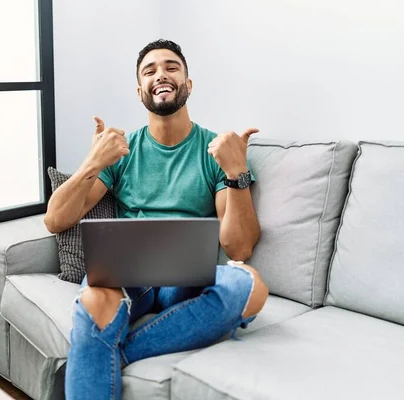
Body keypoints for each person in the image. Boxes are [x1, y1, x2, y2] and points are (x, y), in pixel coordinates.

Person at [44, 39, 269, 400]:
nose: (160, 75)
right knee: (93, 301)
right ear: (140, 92)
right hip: (132, 276)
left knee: (251, 285)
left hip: (187, 281)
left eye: (171, 67)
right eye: (150, 71)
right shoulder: (123, 152)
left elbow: (239, 246)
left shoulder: (215, 150)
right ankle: (105, 349)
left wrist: (237, 171)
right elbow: (55, 220)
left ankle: (113, 351)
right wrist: (93, 161)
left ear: (188, 84)